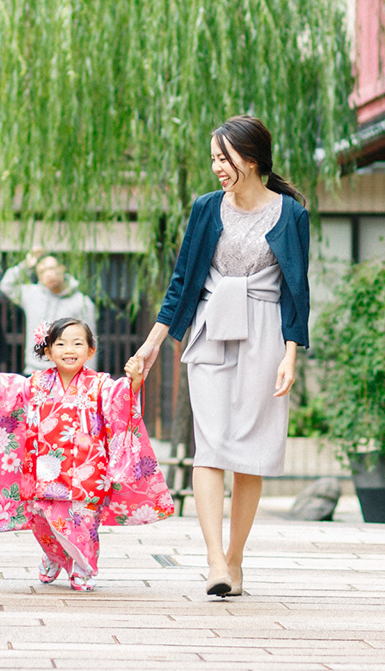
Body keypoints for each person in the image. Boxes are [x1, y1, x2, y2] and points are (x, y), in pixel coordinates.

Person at [127, 116, 310, 599]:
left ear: (251, 160)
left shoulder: (291, 214)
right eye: (213, 158)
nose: (216, 168)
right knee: (210, 446)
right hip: (209, 331)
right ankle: (214, 562)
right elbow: (183, 282)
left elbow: (297, 290)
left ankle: (236, 559)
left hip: (265, 333)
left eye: (222, 159)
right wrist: (151, 345)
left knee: (249, 451)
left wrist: (292, 353)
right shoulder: (206, 208)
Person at [0, 318, 173, 590]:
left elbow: (121, 398)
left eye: (77, 343)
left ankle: (84, 567)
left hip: (87, 471)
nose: (69, 349)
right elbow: (4, 392)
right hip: (43, 470)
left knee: (82, 521)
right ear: (48, 351)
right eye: (60, 344)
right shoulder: (35, 383)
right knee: (41, 519)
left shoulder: (100, 384)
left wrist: (134, 379)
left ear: (90, 351)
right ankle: (54, 555)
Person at [0, 248, 98, 374]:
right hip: (34, 370)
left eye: (51, 268)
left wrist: (89, 376)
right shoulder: (31, 295)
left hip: (67, 372)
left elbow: (90, 341)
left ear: (62, 268)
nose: (48, 274)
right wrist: (27, 264)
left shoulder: (81, 302)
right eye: (42, 271)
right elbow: (6, 285)